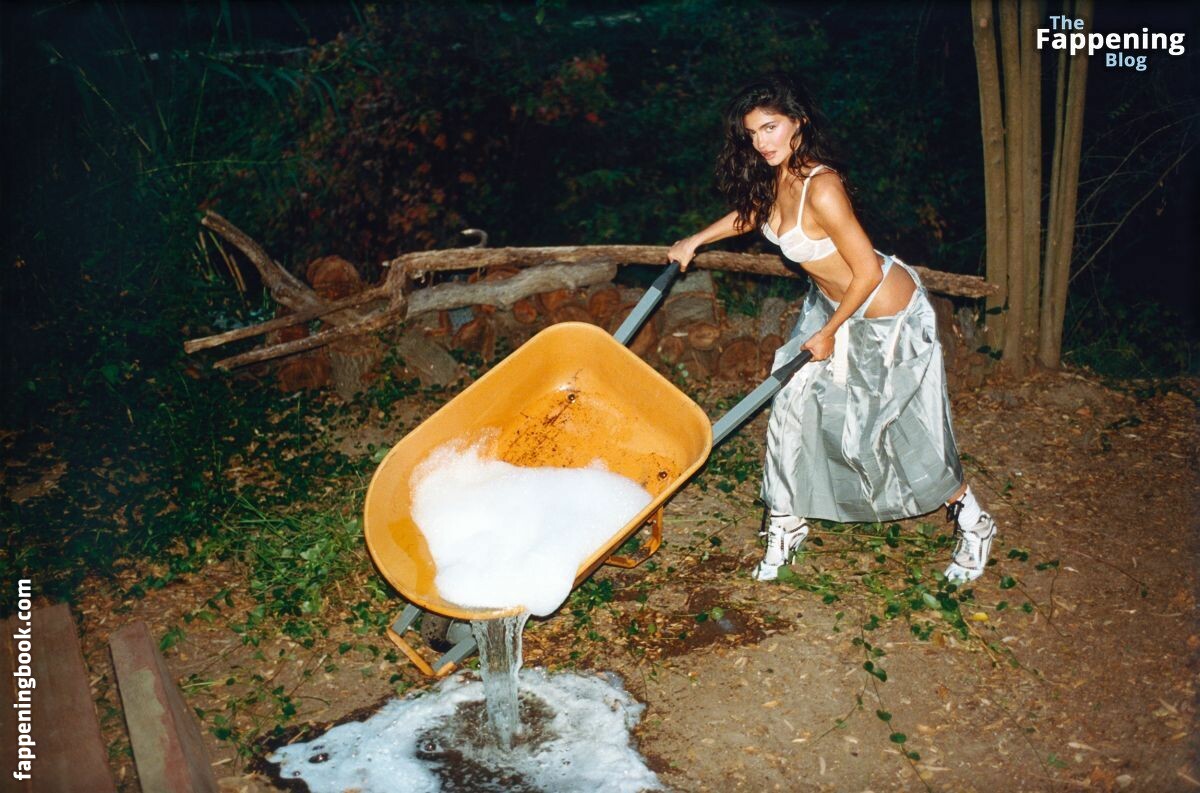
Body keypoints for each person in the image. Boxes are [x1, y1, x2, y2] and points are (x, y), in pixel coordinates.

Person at [667, 73, 997, 584]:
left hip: (885, 316)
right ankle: (786, 520)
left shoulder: (822, 187)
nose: (762, 142)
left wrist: (830, 333)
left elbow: (866, 272)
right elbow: (753, 215)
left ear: (798, 122)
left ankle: (973, 521)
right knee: (791, 403)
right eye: (753, 133)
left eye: (771, 128)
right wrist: (696, 240)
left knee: (891, 429)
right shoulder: (776, 173)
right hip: (832, 306)